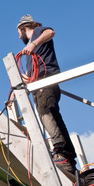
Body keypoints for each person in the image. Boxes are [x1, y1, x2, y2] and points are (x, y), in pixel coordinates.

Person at [13, 14, 77, 175]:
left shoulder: (37, 33)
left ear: (23, 27)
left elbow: (50, 32)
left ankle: (61, 153)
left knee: (46, 113)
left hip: (45, 81)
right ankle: (67, 155)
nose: (18, 36)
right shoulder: (30, 48)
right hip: (37, 83)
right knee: (50, 115)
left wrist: (34, 43)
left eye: (18, 32)